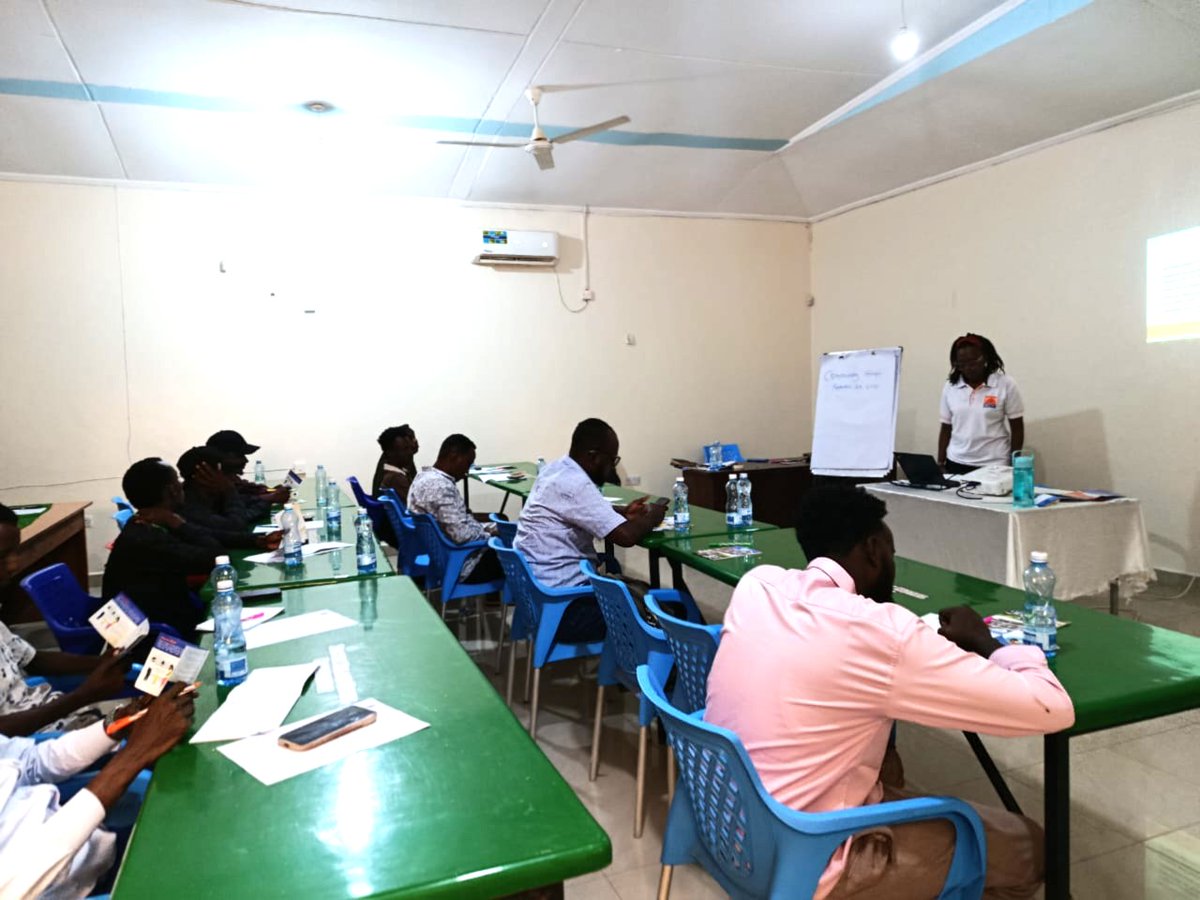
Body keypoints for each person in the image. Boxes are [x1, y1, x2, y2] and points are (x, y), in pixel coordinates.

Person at [706, 485, 1075, 900]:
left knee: (890, 773)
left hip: (726, 825)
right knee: (1030, 845)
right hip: (809, 859)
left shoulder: (757, 585)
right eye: (892, 555)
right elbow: (1052, 709)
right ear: (874, 549)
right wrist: (986, 643)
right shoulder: (883, 631)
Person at [0, 683, 194, 897]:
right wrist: (134, 755)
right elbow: (14, 879)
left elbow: (32, 762)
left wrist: (119, 722)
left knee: (188, 825)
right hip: (58, 887)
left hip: (91, 850)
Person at [514, 418, 670, 640]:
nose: (612, 466)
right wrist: (653, 515)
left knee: (639, 591)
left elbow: (575, 507)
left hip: (538, 597)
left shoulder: (555, 469)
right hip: (567, 609)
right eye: (611, 459)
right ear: (593, 456)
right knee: (663, 613)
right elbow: (626, 537)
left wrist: (621, 512)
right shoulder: (576, 484)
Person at [0, 505, 131, 735]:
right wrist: (83, 695)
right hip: (34, 749)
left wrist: (102, 663)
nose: (14, 564)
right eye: (2, 557)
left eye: (15, 552)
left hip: (61, 721)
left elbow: (34, 659)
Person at [102, 458, 227, 639]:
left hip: (166, 616)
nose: (182, 485)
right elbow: (217, 557)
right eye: (178, 481)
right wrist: (176, 523)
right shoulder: (147, 538)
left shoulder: (145, 523)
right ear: (172, 490)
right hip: (157, 636)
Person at [406, 434, 503, 584]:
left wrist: (490, 528)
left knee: (503, 530)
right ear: (454, 456)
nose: (467, 472)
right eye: (468, 463)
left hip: (440, 555)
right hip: (461, 563)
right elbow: (460, 535)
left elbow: (459, 526)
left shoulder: (423, 477)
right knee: (516, 553)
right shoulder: (440, 487)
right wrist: (489, 535)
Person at [937, 333, 1025, 474]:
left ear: (985, 358)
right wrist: (940, 462)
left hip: (995, 463)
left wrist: (1015, 463)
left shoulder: (1005, 384)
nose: (968, 368)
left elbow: (1017, 428)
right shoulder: (950, 386)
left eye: (973, 362)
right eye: (962, 364)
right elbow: (946, 427)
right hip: (957, 461)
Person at [177, 446, 282, 548]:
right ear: (205, 475)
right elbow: (237, 527)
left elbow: (244, 504)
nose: (230, 476)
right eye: (223, 470)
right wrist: (230, 490)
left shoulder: (211, 495)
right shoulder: (189, 505)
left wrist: (258, 540)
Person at [205, 430, 290, 520]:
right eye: (239, 456)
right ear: (222, 458)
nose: (246, 460)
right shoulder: (211, 484)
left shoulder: (229, 478)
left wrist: (269, 491)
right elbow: (240, 517)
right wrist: (269, 499)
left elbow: (243, 494)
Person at [372, 424, 419, 503]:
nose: (415, 443)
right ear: (390, 452)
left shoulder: (396, 469)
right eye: (405, 448)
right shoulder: (396, 478)